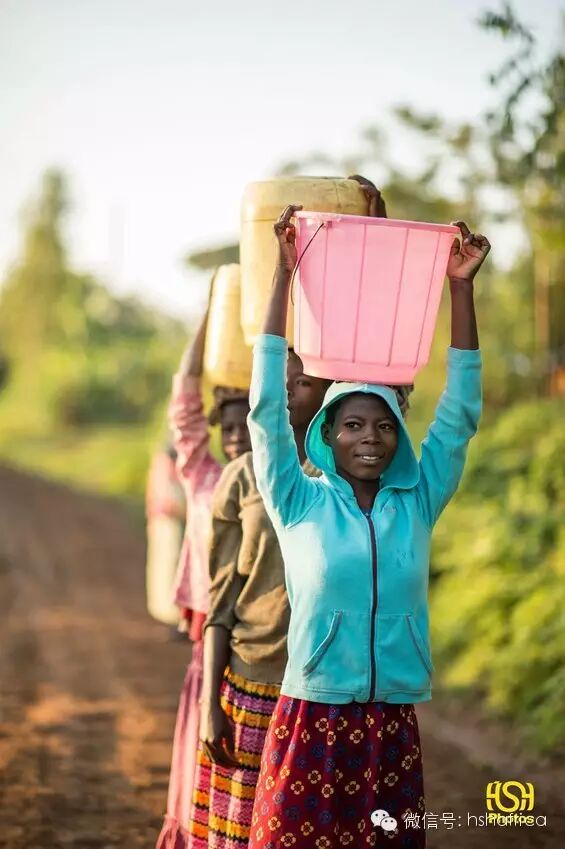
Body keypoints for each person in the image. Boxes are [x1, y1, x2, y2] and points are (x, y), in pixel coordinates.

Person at [246, 204, 490, 848]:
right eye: (352, 424)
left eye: (384, 425)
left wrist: (459, 287)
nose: (371, 438)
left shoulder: (418, 497)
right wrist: (282, 275)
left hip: (390, 723)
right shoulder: (298, 499)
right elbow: (266, 411)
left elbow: (461, 411)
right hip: (313, 713)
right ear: (327, 434)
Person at [186, 348, 330, 849]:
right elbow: (221, 602)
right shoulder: (241, 478)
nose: (288, 391)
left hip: (322, 694)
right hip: (251, 686)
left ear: (328, 389)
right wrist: (211, 704)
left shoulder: (344, 478)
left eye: (303, 382)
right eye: (278, 381)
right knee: (239, 835)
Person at [157, 299, 252, 849]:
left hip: (256, 646)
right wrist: (210, 316)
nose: (237, 436)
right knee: (202, 755)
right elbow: (185, 404)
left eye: (247, 425)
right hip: (207, 645)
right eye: (230, 428)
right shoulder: (204, 477)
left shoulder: (277, 484)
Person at [145, 440, 186, 630]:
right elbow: (153, 496)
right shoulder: (161, 461)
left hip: (175, 525)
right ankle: (168, 615)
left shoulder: (183, 464)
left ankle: (177, 617)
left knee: (175, 568)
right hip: (165, 525)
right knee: (164, 569)